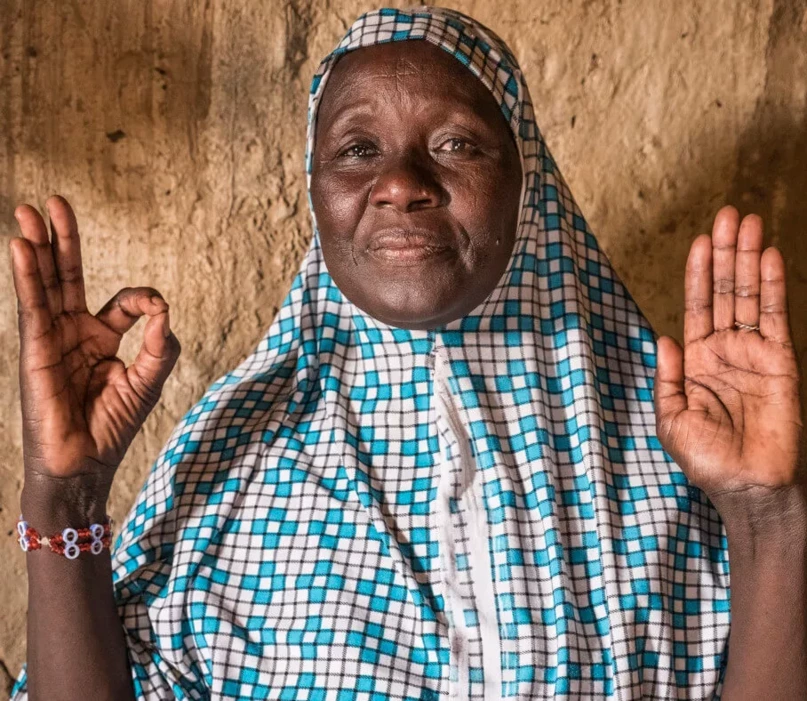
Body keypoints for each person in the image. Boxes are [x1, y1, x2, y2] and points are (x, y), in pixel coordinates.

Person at [7, 6, 805, 700]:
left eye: (456, 143)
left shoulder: (674, 452)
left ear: (529, 185)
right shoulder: (235, 465)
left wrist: (765, 514)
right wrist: (63, 495)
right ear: (314, 189)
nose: (401, 183)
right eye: (357, 149)